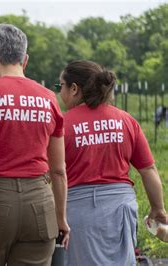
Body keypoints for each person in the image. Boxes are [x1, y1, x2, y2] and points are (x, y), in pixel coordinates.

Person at [0, 23, 70, 265]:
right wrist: (61, 218)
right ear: (25, 60)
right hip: (39, 202)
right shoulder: (48, 98)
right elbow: (59, 169)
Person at [57, 60, 168, 265]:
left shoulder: (63, 124)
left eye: (60, 86)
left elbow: (52, 172)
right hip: (121, 207)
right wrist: (158, 209)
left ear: (74, 89)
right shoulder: (125, 120)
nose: (59, 92)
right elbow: (148, 169)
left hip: (79, 211)